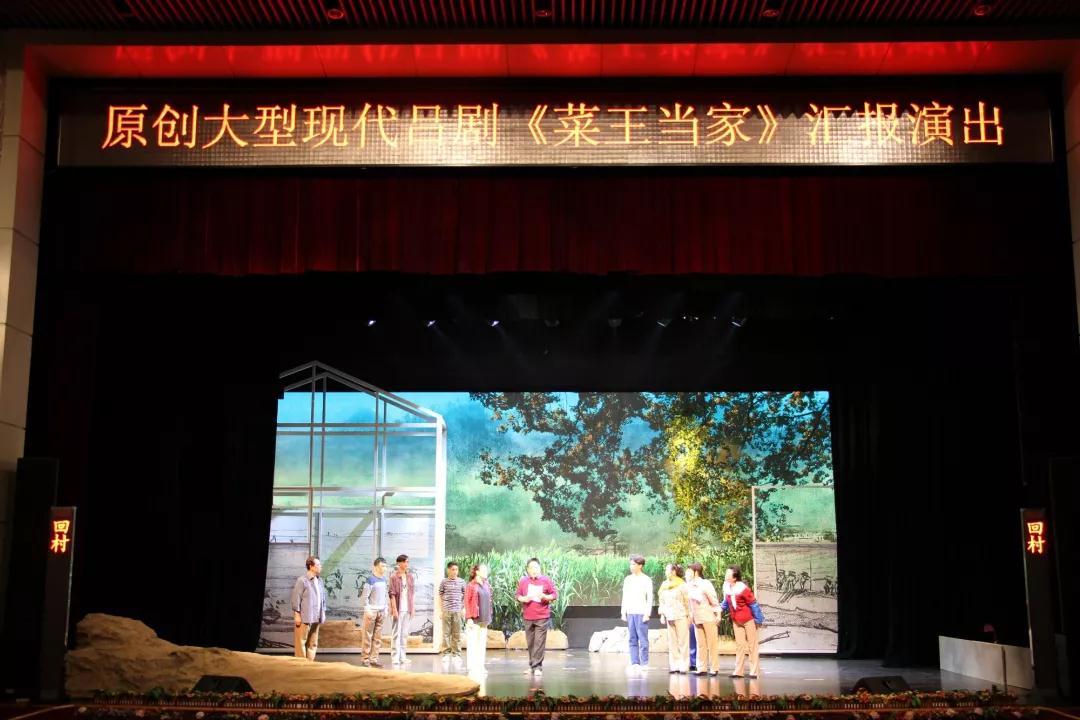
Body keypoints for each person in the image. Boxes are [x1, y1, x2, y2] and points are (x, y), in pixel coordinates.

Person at [516, 557, 558, 675]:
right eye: (531, 567)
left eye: (535, 567)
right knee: (530, 642)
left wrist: (545, 596)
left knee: (539, 642)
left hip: (542, 616)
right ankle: (532, 666)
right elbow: (518, 595)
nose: (533, 570)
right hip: (528, 615)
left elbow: (554, 595)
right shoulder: (524, 581)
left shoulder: (546, 580)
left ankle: (537, 667)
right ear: (527, 570)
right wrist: (524, 598)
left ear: (539, 568)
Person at [720, 565, 764, 678]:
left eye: (728, 574)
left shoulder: (742, 589)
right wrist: (718, 609)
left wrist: (758, 619)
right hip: (736, 620)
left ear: (734, 578)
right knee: (739, 645)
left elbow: (753, 603)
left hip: (748, 620)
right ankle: (738, 671)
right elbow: (726, 602)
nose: (726, 575)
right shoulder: (727, 588)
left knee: (752, 645)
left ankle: (754, 671)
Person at [685, 562, 721, 675]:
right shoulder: (689, 585)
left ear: (696, 572)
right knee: (700, 644)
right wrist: (690, 615)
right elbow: (689, 603)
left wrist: (718, 614)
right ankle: (701, 668)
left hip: (708, 616)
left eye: (689, 570)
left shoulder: (705, 584)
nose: (687, 573)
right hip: (697, 618)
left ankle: (714, 668)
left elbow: (714, 600)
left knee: (712, 644)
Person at [620, 554, 653, 674]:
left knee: (642, 638)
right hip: (630, 612)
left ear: (640, 565)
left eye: (633, 564)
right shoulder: (628, 579)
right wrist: (623, 612)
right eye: (630, 564)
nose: (631, 566)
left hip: (641, 612)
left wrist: (647, 613)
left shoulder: (646, 579)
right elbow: (625, 596)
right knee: (632, 638)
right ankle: (634, 662)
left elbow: (650, 598)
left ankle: (644, 662)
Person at [290, 555, 326, 661]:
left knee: (313, 642)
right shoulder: (302, 580)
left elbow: (322, 598)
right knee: (301, 642)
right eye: (318, 564)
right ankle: (301, 665)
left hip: (316, 616)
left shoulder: (320, 581)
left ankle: (310, 664)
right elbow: (296, 598)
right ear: (311, 566)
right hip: (305, 616)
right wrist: (297, 615)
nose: (320, 566)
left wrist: (323, 612)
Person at [658, 563, 691, 674]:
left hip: (681, 615)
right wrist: (662, 615)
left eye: (667, 570)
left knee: (683, 641)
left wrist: (689, 615)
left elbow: (687, 601)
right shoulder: (664, 585)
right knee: (672, 642)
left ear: (673, 572)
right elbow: (662, 601)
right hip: (669, 615)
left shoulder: (682, 584)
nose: (665, 572)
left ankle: (683, 665)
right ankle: (674, 665)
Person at [358, 556, 389, 667]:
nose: (384, 568)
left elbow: (385, 595)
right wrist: (367, 609)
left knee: (377, 637)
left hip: (381, 611)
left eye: (385, 566)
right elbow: (364, 597)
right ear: (375, 567)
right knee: (367, 636)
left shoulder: (384, 579)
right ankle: (365, 659)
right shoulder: (370, 580)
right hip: (372, 611)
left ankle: (374, 659)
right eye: (382, 566)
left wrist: (386, 608)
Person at [463, 563, 493, 675]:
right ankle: (472, 667)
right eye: (483, 570)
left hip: (484, 618)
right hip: (474, 618)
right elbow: (466, 602)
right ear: (477, 572)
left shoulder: (486, 584)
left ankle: (480, 666)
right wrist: (469, 617)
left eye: (486, 570)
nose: (486, 572)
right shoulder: (471, 585)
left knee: (481, 645)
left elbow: (489, 600)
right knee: (473, 644)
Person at [388, 553, 416, 666]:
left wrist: (412, 608)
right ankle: (395, 657)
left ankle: (403, 657)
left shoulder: (410, 577)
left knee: (404, 634)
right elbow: (392, 594)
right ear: (399, 563)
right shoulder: (393, 577)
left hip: (407, 609)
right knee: (396, 634)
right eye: (405, 562)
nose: (407, 564)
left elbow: (412, 594)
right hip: (398, 609)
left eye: (407, 562)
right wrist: (394, 609)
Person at [439, 561, 467, 659]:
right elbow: (440, 595)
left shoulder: (462, 582)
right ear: (448, 570)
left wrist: (463, 608)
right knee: (446, 633)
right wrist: (441, 610)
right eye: (453, 569)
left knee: (457, 633)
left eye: (456, 569)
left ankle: (456, 653)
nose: (455, 571)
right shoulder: (444, 582)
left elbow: (465, 596)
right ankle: (446, 653)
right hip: (446, 610)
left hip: (457, 611)